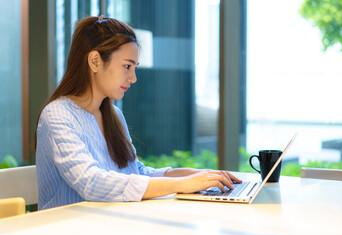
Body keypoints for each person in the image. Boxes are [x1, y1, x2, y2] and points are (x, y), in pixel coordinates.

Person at [35, 16, 241, 210]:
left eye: (134, 68)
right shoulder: (57, 115)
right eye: (127, 66)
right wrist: (181, 184)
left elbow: (135, 172)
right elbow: (92, 182)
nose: (133, 78)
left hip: (110, 223)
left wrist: (194, 176)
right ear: (95, 61)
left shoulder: (113, 115)